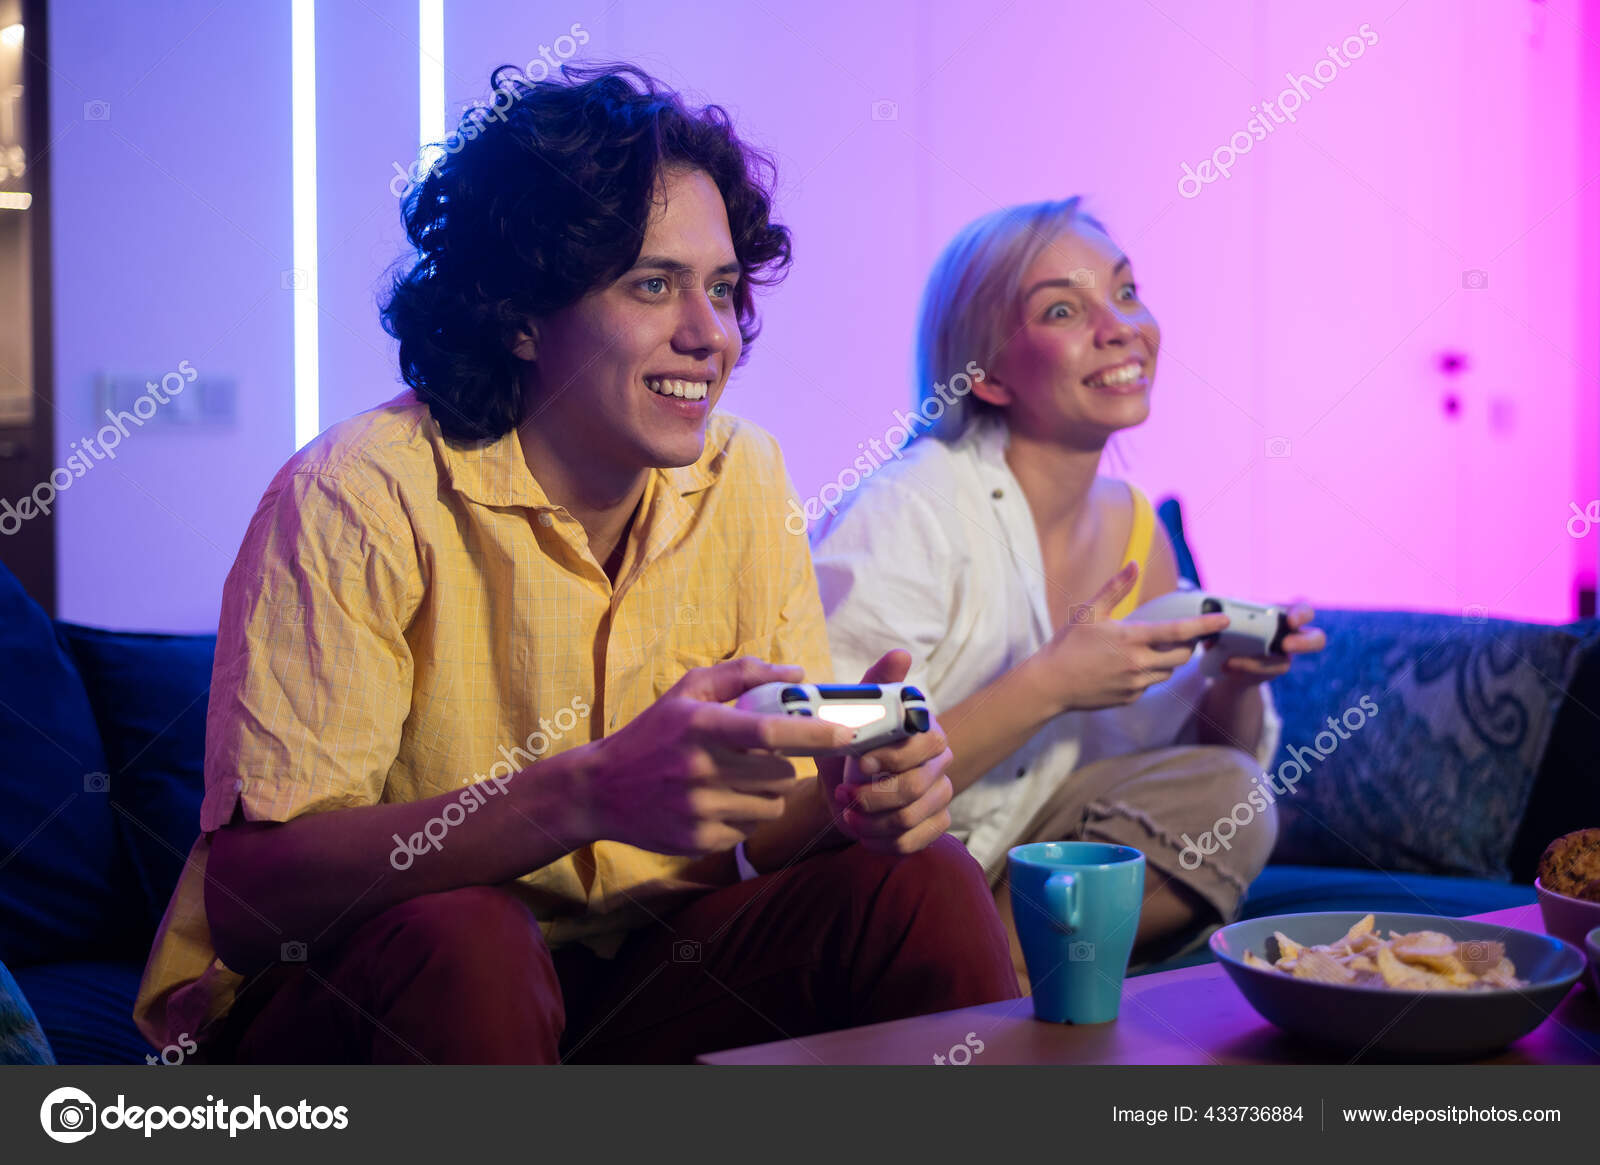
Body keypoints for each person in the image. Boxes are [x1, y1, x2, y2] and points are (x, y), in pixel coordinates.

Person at [131, 64, 1019, 1065]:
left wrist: (854, 800)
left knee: (923, 877)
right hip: (371, 993)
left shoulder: (745, 474)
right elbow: (257, 900)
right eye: (653, 284)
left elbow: (759, 831)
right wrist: (582, 793)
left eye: (722, 289)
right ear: (519, 314)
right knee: (472, 940)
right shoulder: (357, 494)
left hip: (627, 976)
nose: (709, 334)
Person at [812, 197, 1327, 986]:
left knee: (1234, 795)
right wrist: (1050, 683)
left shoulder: (1134, 527)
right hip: (895, 869)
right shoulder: (909, 508)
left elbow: (1191, 767)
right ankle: (980, 990)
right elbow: (827, 777)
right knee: (924, 873)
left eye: (1125, 292)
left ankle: (1002, 986)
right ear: (982, 375)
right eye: (1063, 309)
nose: (1120, 326)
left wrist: (1234, 681)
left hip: (1019, 866)